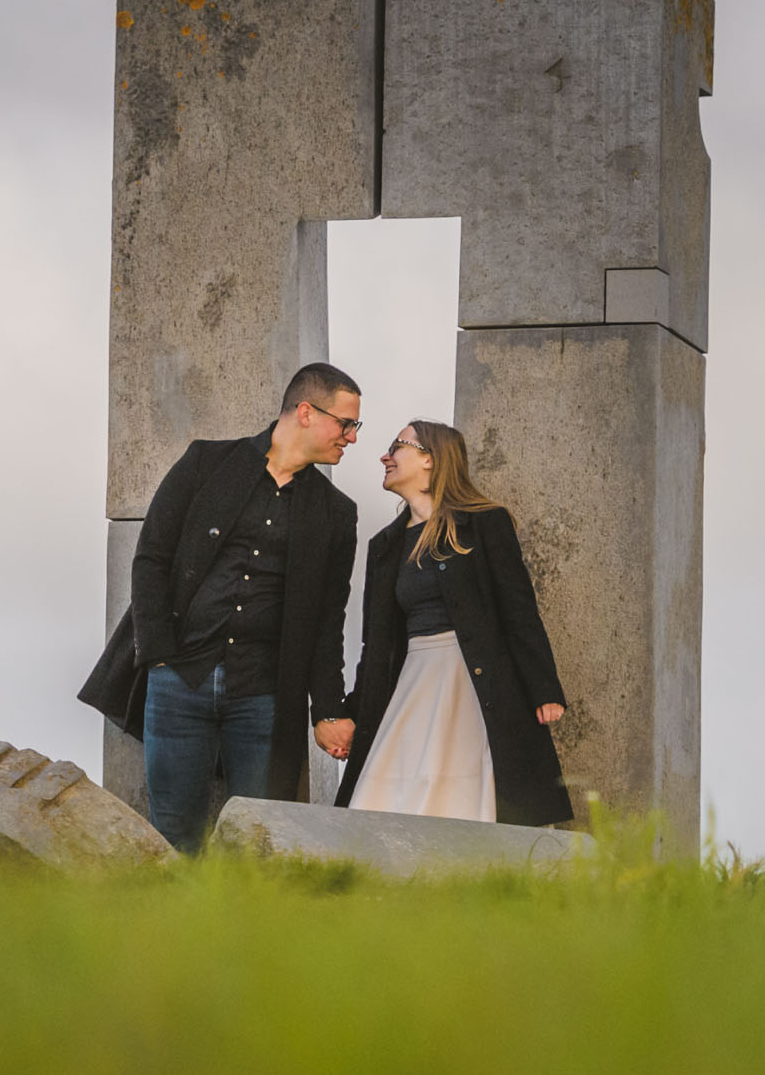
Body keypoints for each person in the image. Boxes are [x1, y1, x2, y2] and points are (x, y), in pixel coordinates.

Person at [79, 362, 363, 851]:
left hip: (267, 696)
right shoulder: (206, 463)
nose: (352, 438)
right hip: (178, 680)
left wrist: (329, 709)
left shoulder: (337, 514)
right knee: (172, 834)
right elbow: (150, 559)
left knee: (259, 839)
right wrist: (159, 656)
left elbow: (326, 622)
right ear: (305, 412)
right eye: (347, 423)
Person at [336, 420, 571, 827]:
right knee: (388, 796)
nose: (385, 456)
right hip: (413, 682)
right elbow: (375, 646)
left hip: (476, 685)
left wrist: (543, 689)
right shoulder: (385, 546)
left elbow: (518, 611)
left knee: (465, 792)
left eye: (398, 446)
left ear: (429, 458)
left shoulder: (485, 523)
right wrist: (353, 712)